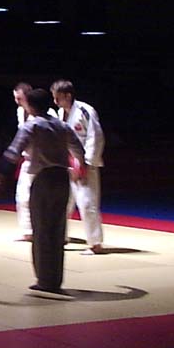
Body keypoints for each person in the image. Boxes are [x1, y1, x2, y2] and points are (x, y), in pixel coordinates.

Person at [0, 88, 85, 298]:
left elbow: (13, 152)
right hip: (63, 178)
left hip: (43, 177)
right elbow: (79, 150)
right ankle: (55, 280)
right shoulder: (62, 126)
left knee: (41, 229)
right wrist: (79, 167)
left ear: (31, 106)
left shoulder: (32, 126)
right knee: (57, 229)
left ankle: (44, 281)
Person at [51, 79, 105, 254]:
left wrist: (86, 163)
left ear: (68, 95)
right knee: (62, 203)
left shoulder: (85, 111)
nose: (55, 101)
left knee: (87, 203)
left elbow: (95, 137)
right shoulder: (59, 114)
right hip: (65, 163)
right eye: (54, 98)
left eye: (58, 97)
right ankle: (60, 237)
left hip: (84, 163)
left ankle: (95, 243)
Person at [13, 83, 58, 241]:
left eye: (19, 98)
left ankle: (50, 231)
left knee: (46, 199)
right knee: (22, 196)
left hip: (46, 161)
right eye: (15, 98)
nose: (17, 101)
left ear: (28, 97)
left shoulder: (49, 113)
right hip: (28, 159)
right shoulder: (20, 111)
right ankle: (28, 231)